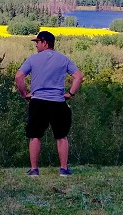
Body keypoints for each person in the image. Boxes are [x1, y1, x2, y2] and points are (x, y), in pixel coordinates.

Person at [15, 30, 84, 177]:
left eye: (38, 42)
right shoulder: (63, 59)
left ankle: (34, 170)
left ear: (45, 42)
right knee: (61, 136)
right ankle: (64, 169)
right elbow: (78, 76)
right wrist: (70, 93)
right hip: (58, 103)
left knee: (35, 136)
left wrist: (24, 94)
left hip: (38, 101)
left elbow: (19, 76)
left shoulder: (33, 59)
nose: (36, 45)